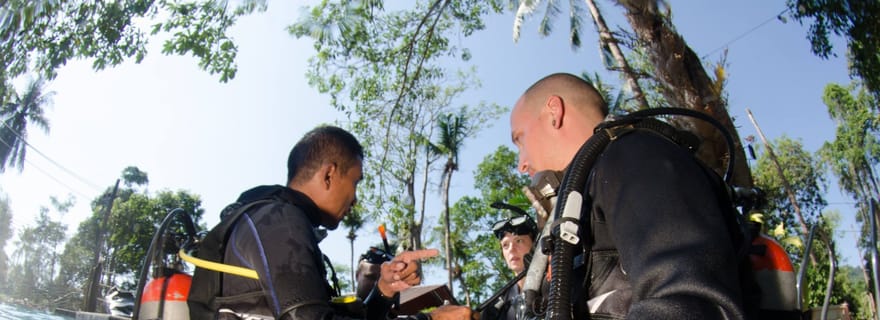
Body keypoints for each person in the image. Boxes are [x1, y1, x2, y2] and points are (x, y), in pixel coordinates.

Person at [509, 73, 748, 319]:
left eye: (520, 139)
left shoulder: (636, 156)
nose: (522, 164)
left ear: (553, 112)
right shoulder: (581, 206)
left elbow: (691, 303)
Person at [195, 125, 470, 320]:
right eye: (355, 182)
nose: (355, 199)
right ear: (329, 175)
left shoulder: (279, 223)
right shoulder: (279, 222)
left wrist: (384, 291)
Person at [480, 213, 538, 320]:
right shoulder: (495, 308)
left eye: (519, 241)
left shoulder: (556, 286)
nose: (511, 249)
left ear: (535, 246)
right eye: (505, 245)